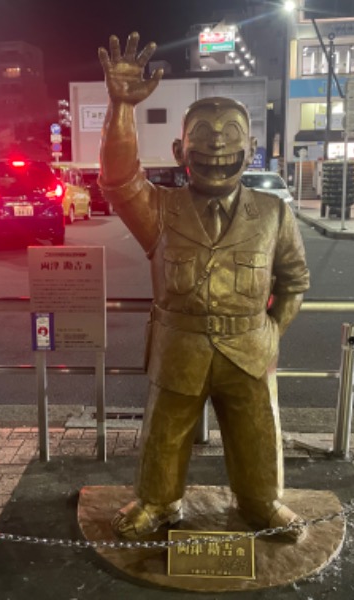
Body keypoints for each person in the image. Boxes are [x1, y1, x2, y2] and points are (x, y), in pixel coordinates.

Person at [97, 33, 310, 542]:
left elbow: (295, 280)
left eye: (231, 133)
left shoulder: (273, 213)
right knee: (163, 434)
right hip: (180, 345)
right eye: (205, 135)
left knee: (258, 434)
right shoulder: (162, 210)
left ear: (251, 149)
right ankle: (157, 502)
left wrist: (272, 331)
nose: (218, 144)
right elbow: (119, 178)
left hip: (249, 349)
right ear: (180, 150)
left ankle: (261, 505)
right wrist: (120, 107)